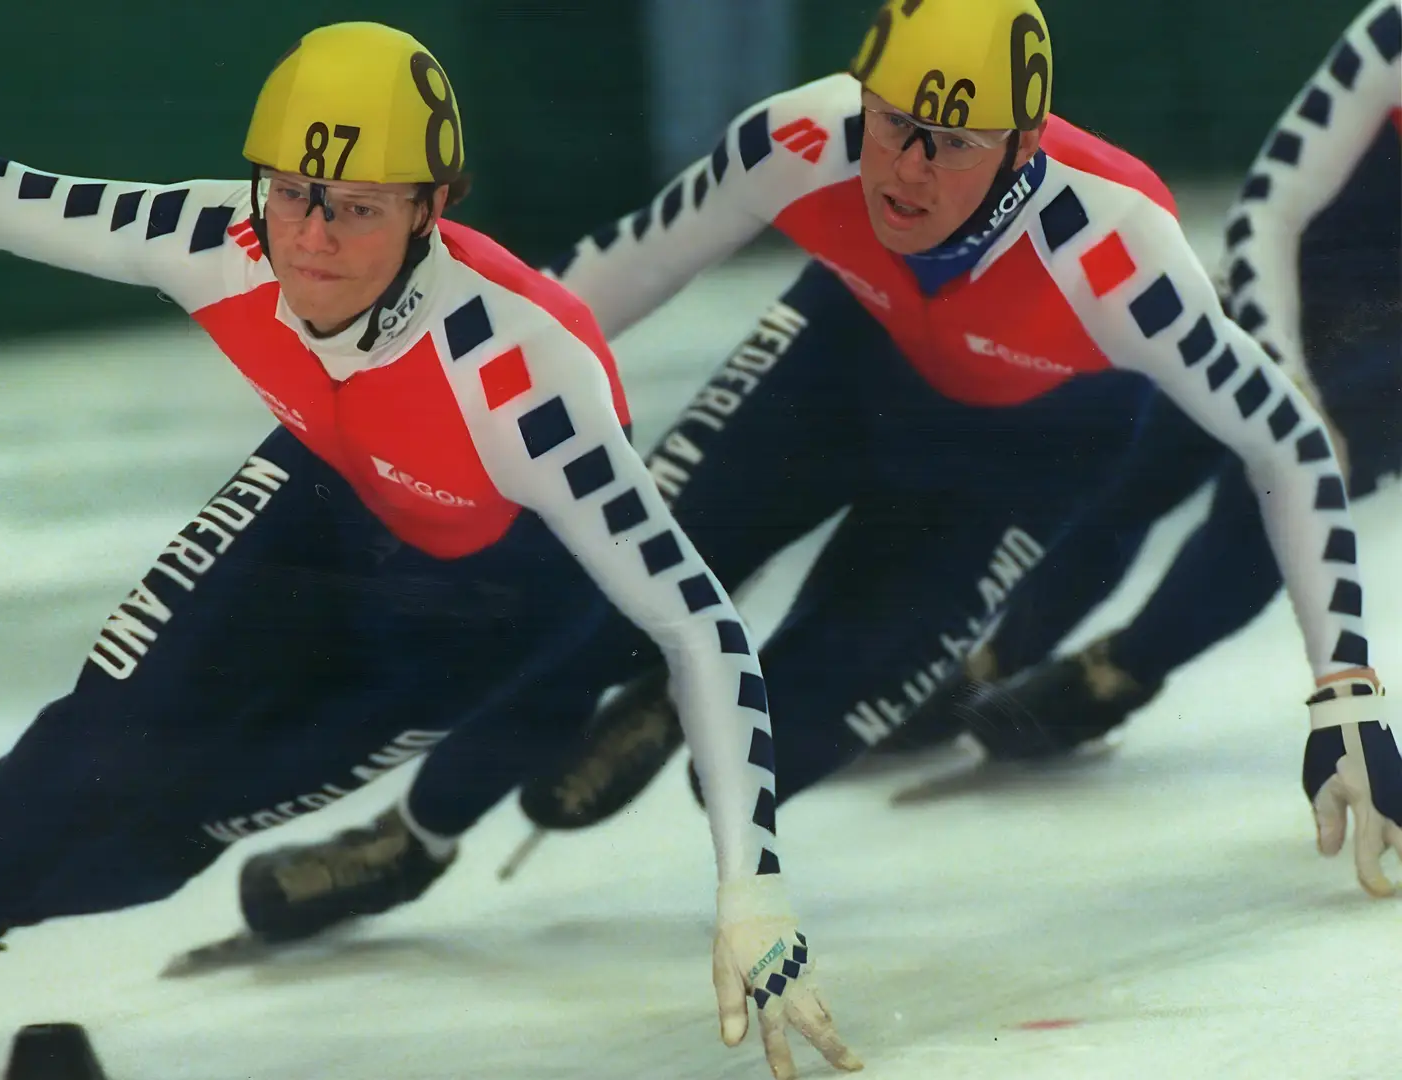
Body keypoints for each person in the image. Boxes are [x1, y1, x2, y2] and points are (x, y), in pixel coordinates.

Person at [0, 22, 858, 1080]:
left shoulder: (519, 374)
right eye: (294, 196)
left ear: (434, 206)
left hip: (490, 599)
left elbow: (694, 621)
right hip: (321, 494)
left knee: (173, 833)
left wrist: (754, 889)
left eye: (356, 209)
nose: (312, 241)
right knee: (88, 741)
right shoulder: (220, 238)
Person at [220, 0, 1402, 951]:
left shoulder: (1115, 245)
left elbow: (1288, 441)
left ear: (1025, 149)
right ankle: (412, 838)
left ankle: (671, 706)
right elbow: (598, 288)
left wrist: (1343, 687)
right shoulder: (801, 140)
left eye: (951, 142)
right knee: (600, 597)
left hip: (1024, 456)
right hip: (843, 362)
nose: (905, 170)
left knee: (777, 748)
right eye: (889, 124)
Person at [886, 0, 1402, 801]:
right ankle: (994, 658)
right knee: (1137, 466)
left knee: (1270, 502)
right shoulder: (1393, 31)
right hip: (1286, 296)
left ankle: (1118, 671)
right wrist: (1286, 375)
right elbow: (1270, 208)